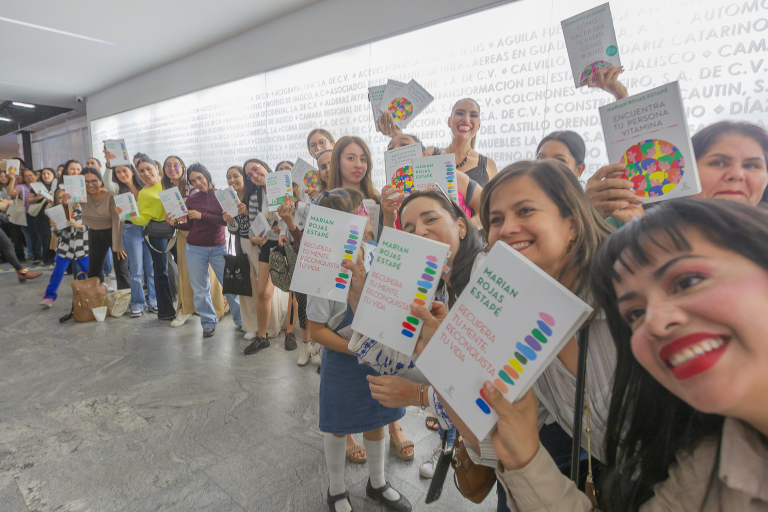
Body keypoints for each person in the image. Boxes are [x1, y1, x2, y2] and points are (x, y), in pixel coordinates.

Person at [489, 198, 768, 511]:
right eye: (636, 312)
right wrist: (524, 459)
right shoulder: (707, 462)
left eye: (688, 281)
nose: (657, 323)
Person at [347, 187, 486, 477]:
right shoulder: (435, 287)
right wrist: (359, 297)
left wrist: (419, 395)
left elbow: (489, 393)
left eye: (430, 219)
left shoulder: (483, 280)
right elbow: (401, 355)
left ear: (461, 225)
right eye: (408, 227)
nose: (419, 232)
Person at [308, 188, 412, 512]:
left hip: (376, 356)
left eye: (361, 212)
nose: (362, 218)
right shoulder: (323, 268)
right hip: (343, 360)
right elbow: (316, 331)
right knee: (337, 426)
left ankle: (377, 481)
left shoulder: (373, 251)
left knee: (376, 419)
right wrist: (358, 349)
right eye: (352, 214)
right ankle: (336, 489)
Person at [587, 121, 768, 222]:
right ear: (686, 169)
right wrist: (585, 215)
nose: (737, 174)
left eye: (751, 165)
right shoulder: (628, 220)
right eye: (719, 163)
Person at [166, 163, 241, 337]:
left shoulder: (223, 195)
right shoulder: (191, 200)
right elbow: (189, 224)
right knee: (200, 289)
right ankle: (208, 322)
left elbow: (227, 221)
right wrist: (174, 223)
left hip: (218, 247)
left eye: (199, 178)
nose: (198, 183)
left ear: (207, 175)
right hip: (194, 249)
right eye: (193, 181)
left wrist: (202, 216)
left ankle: (241, 321)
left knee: (230, 287)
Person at [223, 165, 270, 343]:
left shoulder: (255, 194)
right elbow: (233, 228)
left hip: (258, 243)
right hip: (241, 243)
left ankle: (268, 326)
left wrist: (248, 213)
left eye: (236, 176)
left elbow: (264, 219)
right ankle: (250, 325)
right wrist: (229, 221)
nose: (232, 180)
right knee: (246, 285)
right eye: (229, 177)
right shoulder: (229, 198)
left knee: (262, 288)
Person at [241, 158, 283, 354]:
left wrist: (283, 226)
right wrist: (253, 239)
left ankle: (298, 337)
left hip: (285, 244)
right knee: (262, 293)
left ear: (265, 166)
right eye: (250, 175)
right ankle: (262, 337)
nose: (255, 176)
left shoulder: (283, 185)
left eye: (256, 170)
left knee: (294, 293)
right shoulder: (255, 195)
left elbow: (295, 216)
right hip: (266, 245)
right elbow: (251, 226)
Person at [69, 167, 129, 292]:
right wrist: (66, 202)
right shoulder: (82, 196)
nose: (90, 185)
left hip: (114, 232)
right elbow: (70, 215)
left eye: (94, 181)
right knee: (93, 271)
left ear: (101, 181)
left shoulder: (110, 195)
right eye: (86, 182)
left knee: (121, 270)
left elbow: (117, 220)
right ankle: (95, 299)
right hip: (95, 233)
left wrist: (117, 245)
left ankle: (126, 302)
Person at [130, 156, 175, 320]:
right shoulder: (144, 193)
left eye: (148, 168)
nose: (145, 173)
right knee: (160, 271)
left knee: (185, 269)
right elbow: (143, 219)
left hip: (180, 229)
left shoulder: (169, 183)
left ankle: (188, 306)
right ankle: (166, 311)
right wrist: (129, 214)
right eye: (141, 171)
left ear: (156, 167)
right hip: (158, 234)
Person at [113, 163, 157, 317]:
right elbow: (118, 220)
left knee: (151, 268)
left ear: (132, 171)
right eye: (118, 172)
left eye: (124, 170)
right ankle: (137, 303)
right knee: (136, 269)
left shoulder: (146, 186)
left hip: (149, 229)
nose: (121, 174)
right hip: (131, 230)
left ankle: (153, 301)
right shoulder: (118, 191)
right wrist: (117, 243)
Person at [424, 98, 498, 186]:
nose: (466, 119)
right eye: (459, 113)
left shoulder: (488, 166)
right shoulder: (430, 153)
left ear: (479, 125)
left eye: (473, 115)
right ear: (449, 121)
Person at [39, 188, 89, 307]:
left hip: (82, 248)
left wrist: (79, 225)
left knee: (88, 271)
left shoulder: (83, 210)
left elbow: (91, 226)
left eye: (66, 196)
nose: (64, 199)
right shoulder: (56, 212)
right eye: (60, 198)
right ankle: (49, 296)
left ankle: (92, 291)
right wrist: (55, 227)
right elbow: (55, 233)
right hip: (64, 248)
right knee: (58, 272)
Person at [6, 168, 45, 263]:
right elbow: (10, 193)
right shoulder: (21, 187)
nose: (29, 177)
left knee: (42, 236)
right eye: (26, 176)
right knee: (33, 236)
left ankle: (37, 254)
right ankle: (35, 256)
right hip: (29, 215)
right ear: (23, 178)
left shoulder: (42, 186)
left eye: (31, 175)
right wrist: (12, 179)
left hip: (42, 214)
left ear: (36, 176)